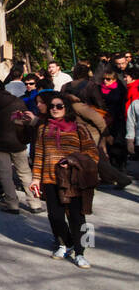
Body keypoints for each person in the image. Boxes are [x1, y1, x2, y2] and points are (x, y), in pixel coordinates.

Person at [29, 92, 99, 268]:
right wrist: (36, 178)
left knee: (77, 216)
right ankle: (65, 244)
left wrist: (73, 161)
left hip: (73, 179)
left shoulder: (79, 128)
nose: (55, 109)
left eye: (59, 106)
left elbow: (92, 154)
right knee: (55, 216)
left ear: (66, 108)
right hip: (50, 179)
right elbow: (39, 155)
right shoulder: (43, 128)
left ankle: (81, 252)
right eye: (52, 106)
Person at [0, 75, 45, 214]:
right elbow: (25, 120)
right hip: (17, 141)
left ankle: (12, 204)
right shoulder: (16, 101)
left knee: (5, 174)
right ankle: (35, 203)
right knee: (25, 173)